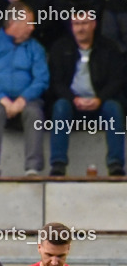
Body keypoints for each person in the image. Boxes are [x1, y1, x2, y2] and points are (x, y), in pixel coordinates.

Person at [0, 3, 48, 177]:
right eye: (28, 23)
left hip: (27, 101)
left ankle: (33, 168)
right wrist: (2, 98)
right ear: (14, 23)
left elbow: (41, 79)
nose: (33, 27)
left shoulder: (35, 47)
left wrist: (22, 99)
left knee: (34, 112)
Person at [47, 15, 125, 177]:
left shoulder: (108, 48)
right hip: (72, 103)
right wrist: (73, 99)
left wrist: (100, 99)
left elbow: (117, 80)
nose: (80, 28)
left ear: (94, 24)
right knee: (60, 106)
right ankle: (58, 164)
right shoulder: (61, 48)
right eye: (76, 24)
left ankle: (115, 163)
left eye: (84, 23)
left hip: (100, 103)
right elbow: (56, 82)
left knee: (115, 108)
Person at [37, 0, 105, 49]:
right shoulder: (53, 4)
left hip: (94, 49)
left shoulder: (99, 4)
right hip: (60, 50)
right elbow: (46, 33)